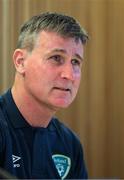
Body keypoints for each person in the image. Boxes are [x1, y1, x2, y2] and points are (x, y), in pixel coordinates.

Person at [0, 12, 89, 179]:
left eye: (75, 62)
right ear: (20, 62)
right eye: (56, 58)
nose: (69, 75)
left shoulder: (70, 144)